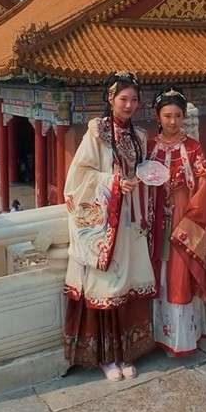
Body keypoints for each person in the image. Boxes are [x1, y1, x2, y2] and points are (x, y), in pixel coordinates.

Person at [62, 72, 156, 382]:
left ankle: (126, 352)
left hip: (131, 222)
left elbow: (143, 172)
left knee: (128, 285)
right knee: (105, 288)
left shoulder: (139, 136)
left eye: (134, 100)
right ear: (110, 100)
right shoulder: (97, 133)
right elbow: (79, 177)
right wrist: (114, 183)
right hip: (104, 224)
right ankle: (106, 357)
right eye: (123, 99)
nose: (129, 105)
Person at [145, 87, 206, 357]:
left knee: (179, 277)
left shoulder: (194, 149)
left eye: (178, 116)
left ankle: (181, 340)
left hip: (184, 222)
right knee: (156, 275)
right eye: (167, 115)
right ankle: (156, 335)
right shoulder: (148, 147)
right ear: (157, 116)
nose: (173, 121)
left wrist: (189, 221)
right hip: (155, 222)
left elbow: (204, 189)